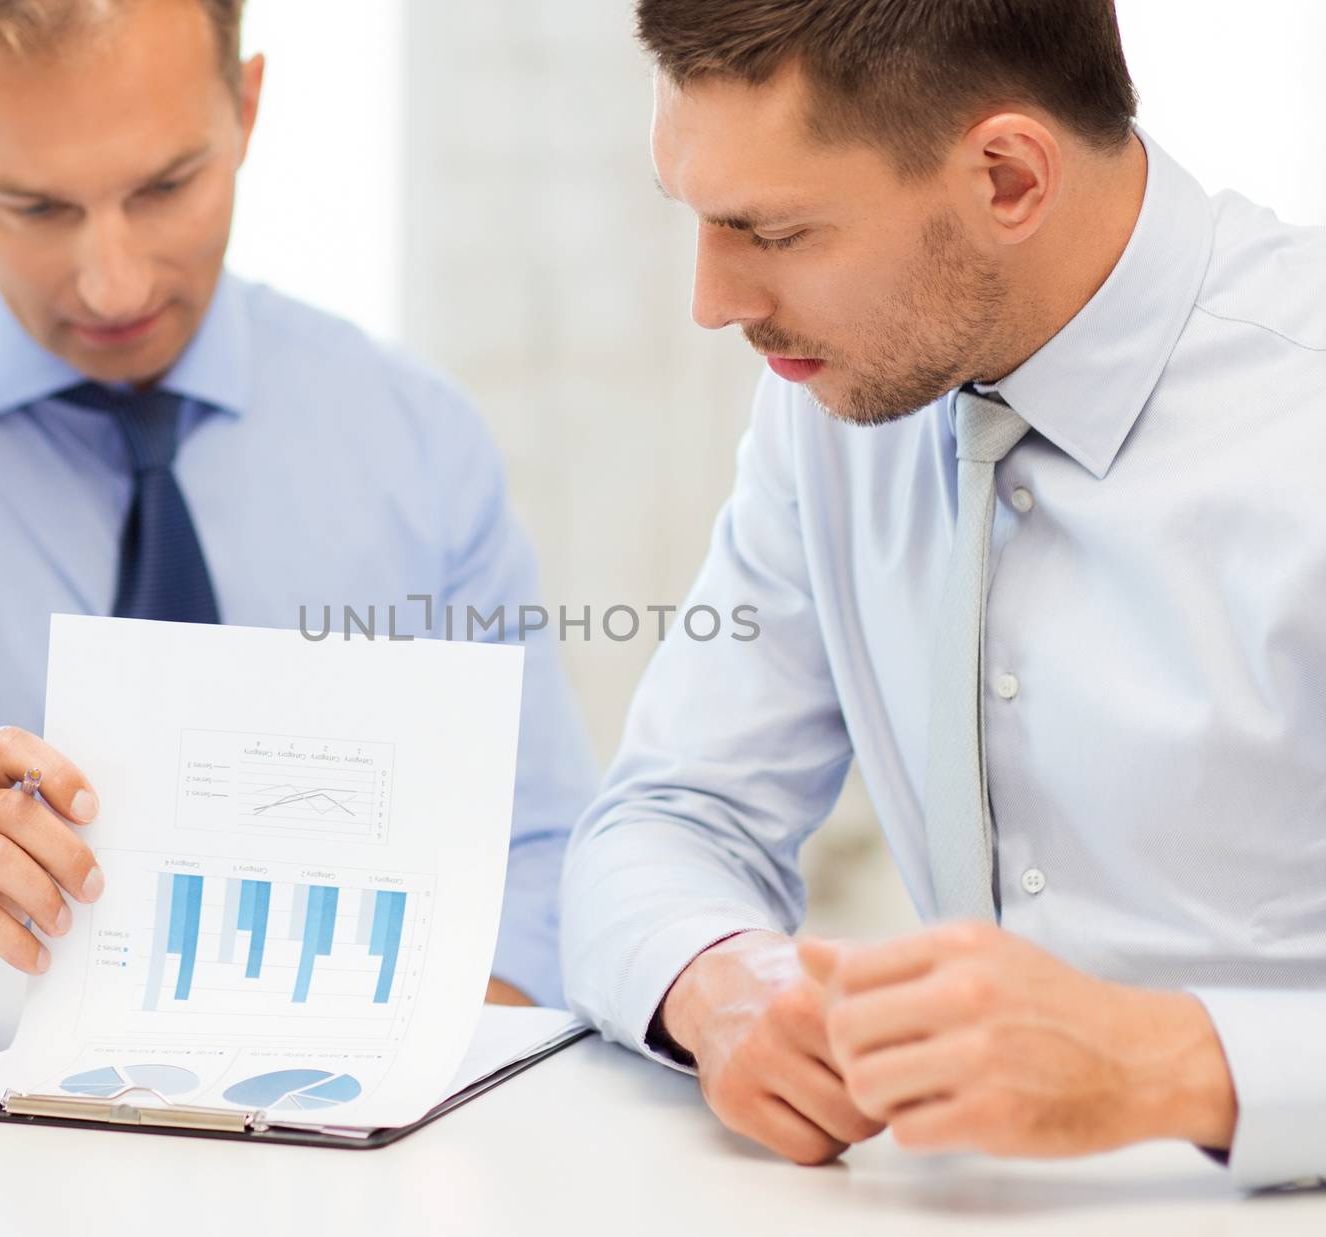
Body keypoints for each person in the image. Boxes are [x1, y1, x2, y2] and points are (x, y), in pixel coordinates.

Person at [562, 0, 1326, 1191]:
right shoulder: (836, 395)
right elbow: (669, 817)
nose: (712, 302)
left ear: (1008, 178)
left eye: (772, 230)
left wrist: (1166, 1068)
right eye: (698, 218)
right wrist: (721, 984)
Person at [0, 0, 596, 1014]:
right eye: (35, 208)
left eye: (167, 186)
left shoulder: (419, 442)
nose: (113, 283)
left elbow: (540, 856)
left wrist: (388, 1088)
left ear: (248, 107)